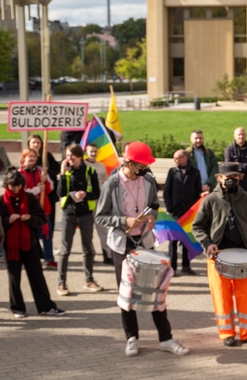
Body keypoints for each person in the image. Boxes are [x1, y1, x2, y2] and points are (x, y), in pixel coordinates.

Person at [95, 141, 189, 357]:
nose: (146, 168)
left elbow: (154, 206)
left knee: (156, 290)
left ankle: (166, 338)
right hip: (122, 245)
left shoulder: (148, 180)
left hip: (145, 243)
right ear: (129, 162)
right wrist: (124, 221)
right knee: (126, 293)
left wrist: (151, 217)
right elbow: (101, 216)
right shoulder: (112, 184)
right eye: (142, 165)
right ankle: (131, 338)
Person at [192, 162, 247, 347]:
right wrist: (207, 244)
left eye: (236, 177)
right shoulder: (210, 200)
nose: (233, 180)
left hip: (242, 255)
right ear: (219, 178)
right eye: (229, 177)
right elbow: (197, 226)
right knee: (221, 295)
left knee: (245, 295)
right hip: (217, 256)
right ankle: (227, 334)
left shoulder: (246, 198)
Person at [0, 168, 65, 318]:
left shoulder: (30, 198)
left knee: (37, 275)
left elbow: (41, 219)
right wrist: (8, 220)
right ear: (7, 185)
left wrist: (30, 218)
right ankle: (17, 308)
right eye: (13, 186)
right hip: (11, 246)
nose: (16, 189)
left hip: (30, 243)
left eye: (19, 186)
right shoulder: (0, 201)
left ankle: (46, 306)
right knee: (14, 278)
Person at [56, 143, 103, 296]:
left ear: (79, 157)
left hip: (85, 214)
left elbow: (97, 193)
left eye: (72, 156)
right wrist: (62, 174)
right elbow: (60, 193)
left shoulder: (89, 171)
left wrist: (85, 195)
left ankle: (89, 280)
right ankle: (61, 283)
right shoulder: (66, 172)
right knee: (65, 249)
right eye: (67, 155)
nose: (69, 159)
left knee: (87, 248)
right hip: (68, 213)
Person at [164, 150, 201, 275]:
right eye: (174, 158)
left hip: (189, 212)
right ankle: (172, 267)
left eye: (178, 158)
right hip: (175, 212)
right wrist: (170, 207)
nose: (176, 160)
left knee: (187, 239)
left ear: (185, 158)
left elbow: (197, 191)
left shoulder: (195, 172)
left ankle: (186, 265)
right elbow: (167, 191)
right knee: (173, 241)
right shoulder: (172, 172)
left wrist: (196, 208)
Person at [19, 148, 55, 268]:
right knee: (30, 236)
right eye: (29, 156)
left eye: (34, 157)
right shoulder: (20, 173)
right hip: (28, 209)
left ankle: (49, 258)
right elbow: (22, 192)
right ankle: (31, 259)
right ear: (24, 158)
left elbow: (50, 189)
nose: (32, 159)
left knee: (47, 234)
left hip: (43, 208)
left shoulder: (41, 171)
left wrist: (46, 182)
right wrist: (37, 189)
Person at [28, 134, 60, 241]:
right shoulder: (28, 157)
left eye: (38, 142)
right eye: (34, 142)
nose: (36, 145)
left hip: (48, 195)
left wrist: (47, 174)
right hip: (33, 195)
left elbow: (56, 169)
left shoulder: (47, 156)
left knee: (49, 220)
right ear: (29, 144)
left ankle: (48, 242)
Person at [84, 143, 112, 265]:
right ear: (86, 151)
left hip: (100, 200)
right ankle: (90, 254)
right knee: (87, 230)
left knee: (103, 229)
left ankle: (108, 254)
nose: (93, 153)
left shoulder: (101, 166)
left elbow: (106, 181)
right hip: (87, 201)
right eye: (91, 151)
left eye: (95, 151)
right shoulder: (83, 165)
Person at [224, 127, 247, 196]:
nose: (241, 136)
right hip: (233, 185)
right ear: (234, 136)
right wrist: (246, 165)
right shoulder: (229, 150)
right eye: (239, 134)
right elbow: (228, 167)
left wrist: (237, 165)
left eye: (243, 134)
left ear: (246, 135)